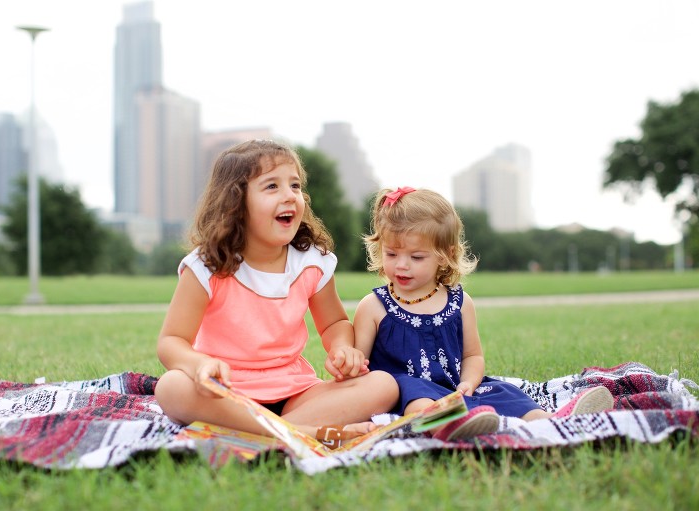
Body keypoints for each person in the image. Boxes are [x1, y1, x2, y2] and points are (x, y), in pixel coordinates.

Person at [154, 139, 398, 448]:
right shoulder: (206, 267)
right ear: (236, 204)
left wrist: (341, 348)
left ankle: (269, 433)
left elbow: (334, 323)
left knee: (384, 384)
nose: (290, 196)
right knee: (171, 386)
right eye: (272, 187)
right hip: (227, 394)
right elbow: (171, 342)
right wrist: (198, 365)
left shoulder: (311, 262)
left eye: (295, 186)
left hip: (295, 393)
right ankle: (305, 434)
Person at [353, 187, 614, 441]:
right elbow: (360, 370)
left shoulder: (459, 302)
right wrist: (349, 366)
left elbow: (472, 355)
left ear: (445, 256)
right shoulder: (374, 306)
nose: (401, 265)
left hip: (454, 389)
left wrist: (468, 382)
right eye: (391, 253)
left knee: (503, 392)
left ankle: (550, 421)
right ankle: (446, 427)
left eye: (417, 257)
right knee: (420, 400)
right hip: (406, 394)